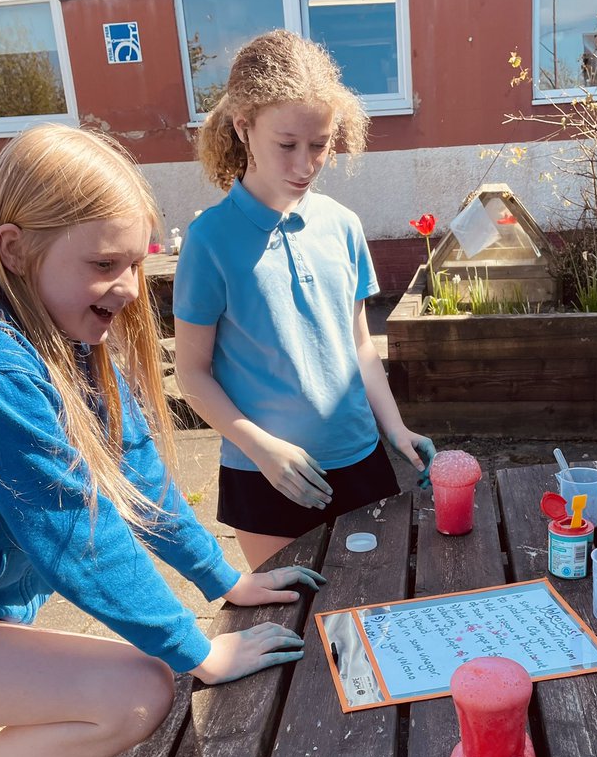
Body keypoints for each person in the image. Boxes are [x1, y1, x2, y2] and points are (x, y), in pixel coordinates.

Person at [0, 124, 325, 757]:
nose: (128, 287)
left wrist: (224, 582)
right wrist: (196, 651)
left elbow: (138, 477)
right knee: (140, 690)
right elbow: (77, 530)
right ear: (13, 248)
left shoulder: (58, 330)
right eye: (103, 264)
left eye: (134, 261)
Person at [173, 29, 435, 570]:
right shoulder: (209, 241)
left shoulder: (343, 225)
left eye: (319, 145)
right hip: (265, 476)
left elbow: (361, 346)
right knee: (293, 629)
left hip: (362, 460)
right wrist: (263, 449)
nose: (305, 163)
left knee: (375, 613)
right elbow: (192, 374)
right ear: (244, 127)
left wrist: (396, 428)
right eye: (287, 144)